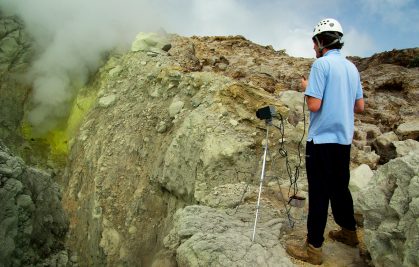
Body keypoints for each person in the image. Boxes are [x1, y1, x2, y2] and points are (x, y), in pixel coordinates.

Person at [285, 18, 365, 265]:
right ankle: (350, 233)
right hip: (343, 141)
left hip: (320, 141)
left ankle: (314, 249)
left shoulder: (320, 66)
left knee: (319, 193)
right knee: (340, 188)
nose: (312, 48)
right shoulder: (352, 68)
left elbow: (314, 105)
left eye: (313, 43)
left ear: (321, 42)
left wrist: (308, 88)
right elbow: (360, 107)